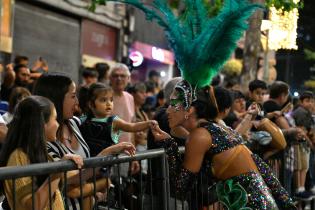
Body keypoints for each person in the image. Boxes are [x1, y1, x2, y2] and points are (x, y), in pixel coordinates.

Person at [151, 80, 296, 209]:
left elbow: (180, 188)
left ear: (190, 110)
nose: (167, 110)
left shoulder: (199, 136)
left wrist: (169, 145)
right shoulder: (216, 129)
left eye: (173, 104)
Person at [33, 72, 136, 209]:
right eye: (73, 96)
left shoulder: (76, 124)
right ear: (57, 98)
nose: (77, 102)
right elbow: (67, 183)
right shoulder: (42, 141)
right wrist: (101, 179)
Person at [0, 96, 83, 210]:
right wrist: (58, 171)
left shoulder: (41, 153)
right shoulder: (18, 157)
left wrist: (105, 154)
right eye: (55, 119)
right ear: (42, 123)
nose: (58, 124)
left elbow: (75, 177)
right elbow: (32, 206)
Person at [79, 82, 157, 157]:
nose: (109, 103)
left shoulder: (114, 121)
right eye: (103, 100)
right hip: (88, 164)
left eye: (111, 100)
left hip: (107, 165)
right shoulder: (83, 119)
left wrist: (148, 123)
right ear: (90, 104)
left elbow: (132, 126)